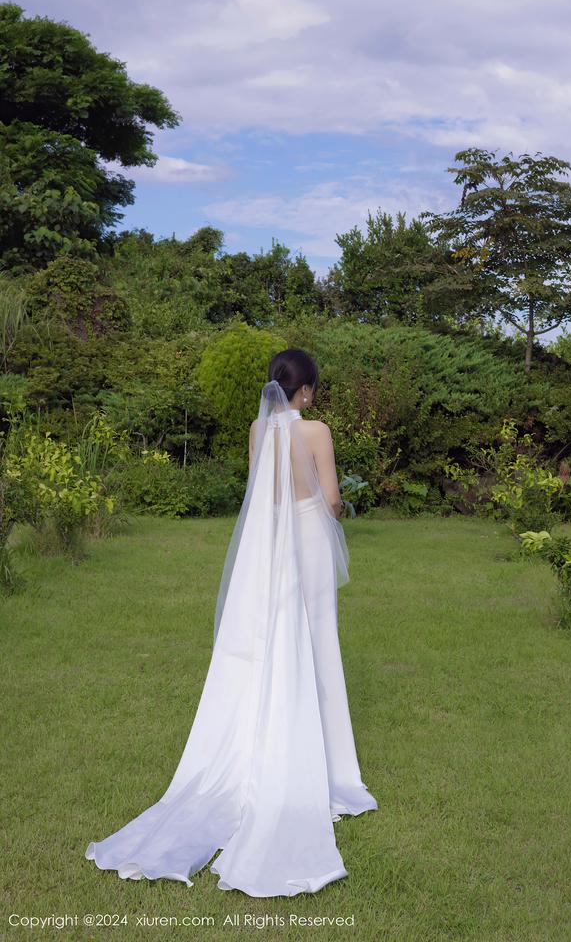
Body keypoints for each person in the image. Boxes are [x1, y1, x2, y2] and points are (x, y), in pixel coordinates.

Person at [85, 348, 378, 896]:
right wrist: (329, 518)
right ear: (306, 390)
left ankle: (266, 737)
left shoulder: (257, 430)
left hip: (268, 545)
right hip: (309, 538)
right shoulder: (316, 431)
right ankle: (326, 764)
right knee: (317, 644)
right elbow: (333, 499)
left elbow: (258, 494)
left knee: (272, 641)